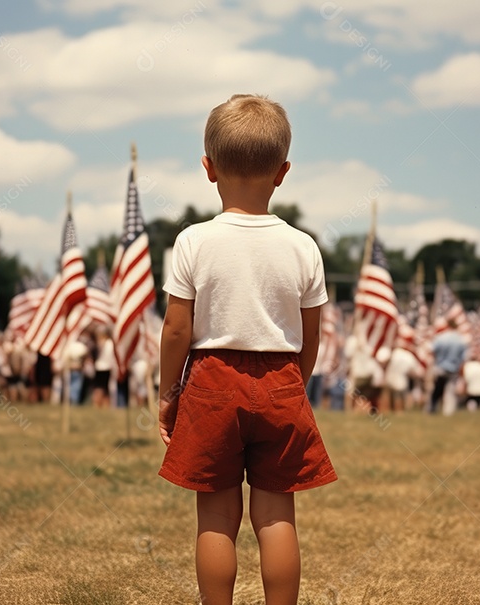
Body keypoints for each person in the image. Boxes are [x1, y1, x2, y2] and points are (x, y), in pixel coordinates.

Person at [157, 94, 337, 605]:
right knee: (277, 516)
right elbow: (311, 333)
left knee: (215, 517)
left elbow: (175, 330)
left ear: (208, 168)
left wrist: (169, 392)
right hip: (282, 377)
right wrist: (295, 385)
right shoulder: (304, 246)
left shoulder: (193, 241)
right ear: (282, 172)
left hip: (210, 381)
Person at [429, 320, 466, 414]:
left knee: (437, 390)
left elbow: (432, 351)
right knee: (450, 392)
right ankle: (448, 412)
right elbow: (463, 358)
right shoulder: (461, 340)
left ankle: (432, 408)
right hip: (453, 369)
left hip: (440, 367)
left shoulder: (441, 338)